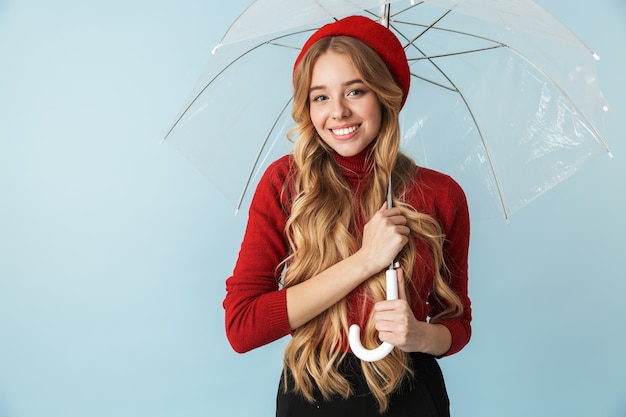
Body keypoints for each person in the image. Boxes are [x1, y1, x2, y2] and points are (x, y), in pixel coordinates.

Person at [223, 15, 472, 417]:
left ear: (385, 95)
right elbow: (242, 327)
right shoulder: (284, 184)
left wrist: (421, 334)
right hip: (313, 393)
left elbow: (458, 324)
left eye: (355, 91)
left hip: (412, 396)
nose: (337, 111)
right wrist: (366, 260)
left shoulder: (441, 195)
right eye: (320, 96)